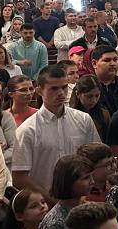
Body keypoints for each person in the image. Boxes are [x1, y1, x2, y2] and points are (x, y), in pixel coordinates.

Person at [12, 66, 101, 199]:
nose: (61, 93)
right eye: (54, 88)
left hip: (81, 199)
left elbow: (96, 159)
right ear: (39, 91)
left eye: (64, 87)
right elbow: (19, 177)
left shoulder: (83, 119)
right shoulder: (27, 130)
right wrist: (51, 201)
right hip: (45, 202)